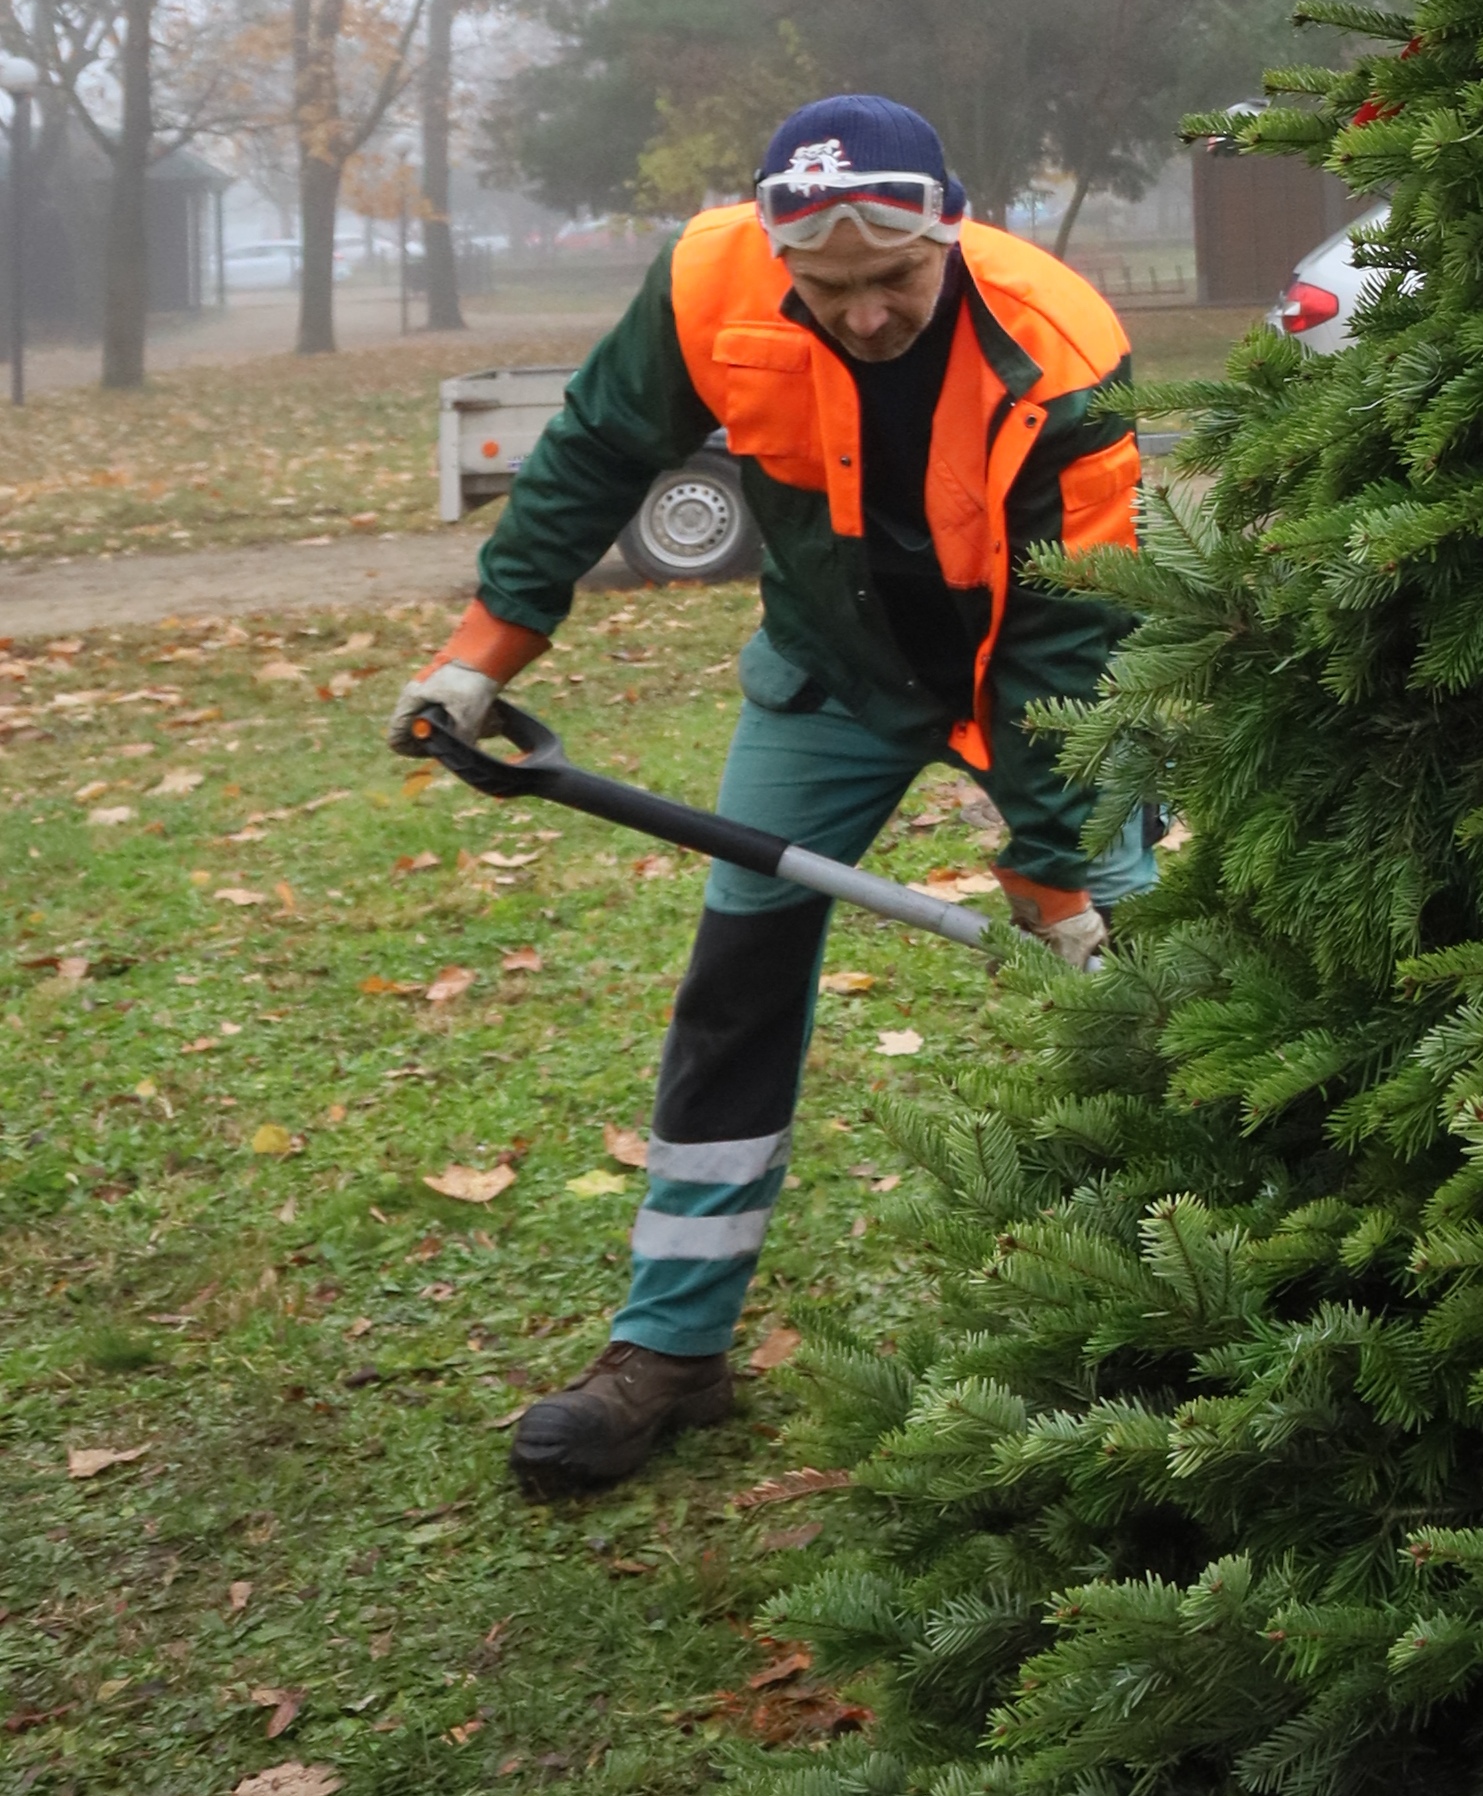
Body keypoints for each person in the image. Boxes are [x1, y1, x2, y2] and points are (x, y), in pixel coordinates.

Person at [389, 93, 1148, 1500]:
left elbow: (1077, 636)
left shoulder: (1059, 350)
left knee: (1140, 964)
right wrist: (484, 656)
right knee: (737, 971)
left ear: (954, 229)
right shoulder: (707, 280)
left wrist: (1053, 865)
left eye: (894, 281)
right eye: (830, 288)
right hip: (830, 677)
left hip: (1024, 673)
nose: (863, 314)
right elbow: (590, 460)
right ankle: (670, 1352)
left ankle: (1214, 1302)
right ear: (776, 251)